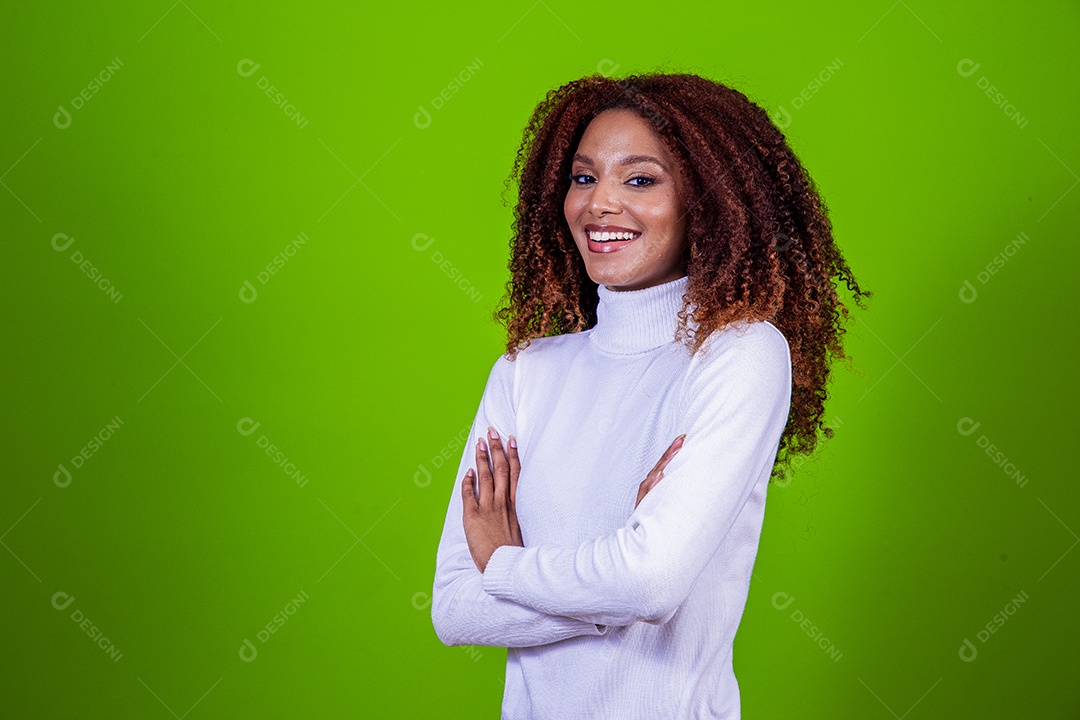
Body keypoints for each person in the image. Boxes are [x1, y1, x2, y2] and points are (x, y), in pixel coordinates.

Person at [431, 71, 871, 719]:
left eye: (640, 179)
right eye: (583, 178)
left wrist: (504, 561)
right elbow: (454, 609)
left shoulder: (741, 354)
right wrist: (610, 590)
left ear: (710, 199)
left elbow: (651, 582)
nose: (599, 203)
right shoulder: (527, 371)